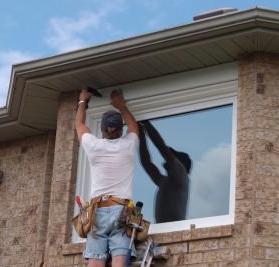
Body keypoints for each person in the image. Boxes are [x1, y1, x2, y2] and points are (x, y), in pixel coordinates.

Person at [75, 88, 139, 267]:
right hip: (121, 209)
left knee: (95, 261)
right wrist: (121, 106)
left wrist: (82, 101)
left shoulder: (93, 146)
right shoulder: (129, 145)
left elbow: (80, 126)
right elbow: (134, 127)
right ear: (121, 130)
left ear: (102, 130)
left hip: (97, 211)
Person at [138, 120, 192, 223]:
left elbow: (161, 147)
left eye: (174, 157)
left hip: (173, 230)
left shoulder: (182, 175)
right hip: (163, 229)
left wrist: (146, 123)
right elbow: (146, 163)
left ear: (180, 164)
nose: (168, 159)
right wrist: (141, 135)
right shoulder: (167, 182)